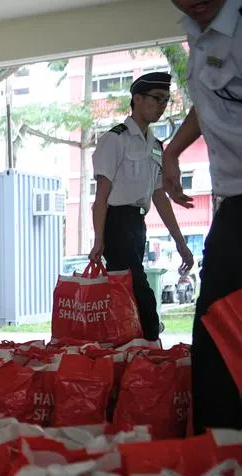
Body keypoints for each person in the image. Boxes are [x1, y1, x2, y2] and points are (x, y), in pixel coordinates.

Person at [164, 0, 242, 432]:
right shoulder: (201, 30)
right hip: (232, 202)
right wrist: (173, 149)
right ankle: (220, 455)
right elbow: (215, 97)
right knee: (215, 334)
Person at [89, 71, 195, 341]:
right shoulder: (115, 139)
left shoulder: (156, 146)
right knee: (140, 291)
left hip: (137, 225)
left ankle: (133, 354)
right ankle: (152, 344)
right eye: (157, 99)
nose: (161, 106)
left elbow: (159, 196)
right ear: (137, 99)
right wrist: (99, 239)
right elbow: (101, 196)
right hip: (116, 222)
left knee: (128, 298)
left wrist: (181, 244)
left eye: (166, 101)